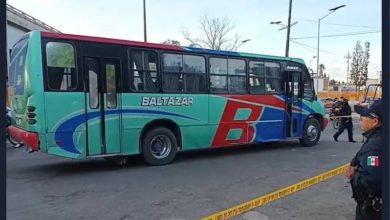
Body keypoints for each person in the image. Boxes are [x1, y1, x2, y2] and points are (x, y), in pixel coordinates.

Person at [344, 100, 382, 220]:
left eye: (363, 117)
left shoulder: (375, 147)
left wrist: (353, 175)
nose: (360, 119)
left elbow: (371, 181)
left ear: (375, 121)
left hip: (373, 210)